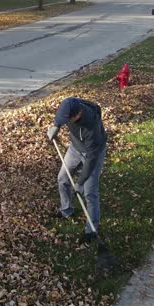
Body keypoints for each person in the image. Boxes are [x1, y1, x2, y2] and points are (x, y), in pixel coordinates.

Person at [47, 97, 107, 243]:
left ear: (77, 115)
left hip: (93, 154)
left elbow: (91, 159)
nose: (65, 121)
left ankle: (91, 230)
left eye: (67, 119)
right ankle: (66, 210)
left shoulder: (91, 126)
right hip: (75, 148)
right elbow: (60, 116)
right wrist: (56, 126)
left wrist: (80, 182)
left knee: (89, 192)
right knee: (62, 179)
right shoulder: (70, 104)